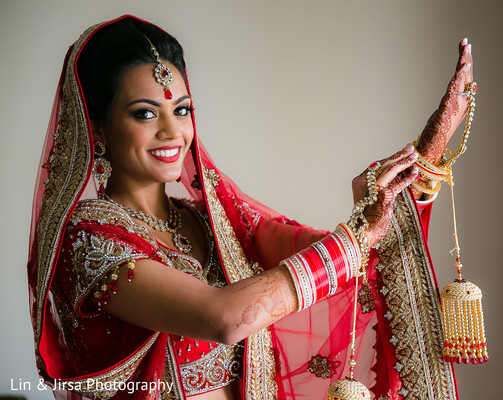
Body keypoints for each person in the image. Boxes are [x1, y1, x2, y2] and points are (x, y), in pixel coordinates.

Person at [27, 15, 474, 400]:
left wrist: (423, 161)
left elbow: (338, 263)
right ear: (97, 129)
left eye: (182, 111)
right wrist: (353, 240)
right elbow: (222, 316)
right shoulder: (88, 240)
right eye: (145, 113)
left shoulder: (210, 218)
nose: (173, 131)